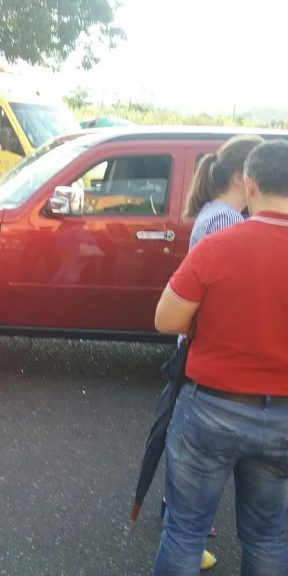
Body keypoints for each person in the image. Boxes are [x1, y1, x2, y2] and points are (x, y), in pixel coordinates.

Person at [152, 139, 288, 575]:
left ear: (250, 184)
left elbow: (166, 319)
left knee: (185, 533)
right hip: (283, 415)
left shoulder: (219, 245)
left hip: (211, 407)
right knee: (268, 536)